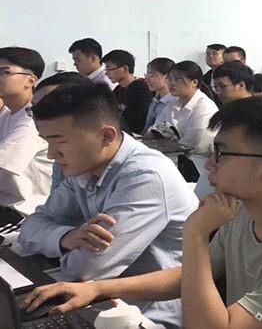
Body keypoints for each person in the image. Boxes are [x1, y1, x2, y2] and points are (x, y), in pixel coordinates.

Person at [23, 95, 262, 328]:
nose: (210, 165)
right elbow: (192, 276)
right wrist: (97, 290)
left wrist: (196, 234)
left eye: (222, 154)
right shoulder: (243, 208)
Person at [20, 82, 198, 328]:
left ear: (106, 136)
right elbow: (30, 227)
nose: (51, 153)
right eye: (46, 141)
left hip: (150, 314)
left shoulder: (145, 176)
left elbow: (86, 268)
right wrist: (66, 237)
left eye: (59, 141)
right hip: (102, 299)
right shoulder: (85, 166)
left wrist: (56, 243)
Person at [0, 47, 53, 215]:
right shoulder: (8, 115)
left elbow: (3, 166)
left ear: (30, 80)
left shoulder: (32, 121)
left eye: (4, 72)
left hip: (23, 214)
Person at [31, 72, 92, 191]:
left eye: (47, 109)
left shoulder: (126, 171)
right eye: (34, 110)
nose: (37, 118)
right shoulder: (61, 155)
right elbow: (56, 198)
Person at [145, 61, 218, 156]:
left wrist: (167, 141)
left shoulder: (204, 108)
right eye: (169, 79)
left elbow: (191, 146)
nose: (171, 83)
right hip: (173, 155)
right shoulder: (173, 101)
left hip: (197, 159)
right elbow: (155, 128)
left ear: (194, 82)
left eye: (177, 79)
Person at [102, 49, 153, 134]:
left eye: (109, 69)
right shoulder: (118, 90)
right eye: (106, 69)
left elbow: (138, 121)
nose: (106, 73)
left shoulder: (140, 89)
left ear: (125, 69)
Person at [144, 57, 177, 132]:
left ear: (167, 77)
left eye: (151, 75)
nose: (146, 79)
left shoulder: (174, 103)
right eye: (147, 75)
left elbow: (164, 130)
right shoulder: (155, 100)